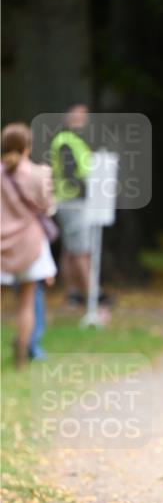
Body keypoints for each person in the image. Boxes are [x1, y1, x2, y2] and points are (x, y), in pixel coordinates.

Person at [1, 122, 57, 368]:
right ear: (27, 147)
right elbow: (48, 207)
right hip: (30, 245)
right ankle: (22, 356)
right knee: (26, 303)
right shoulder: (39, 173)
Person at [51, 103, 93, 307]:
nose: (82, 119)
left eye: (84, 115)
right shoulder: (66, 141)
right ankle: (92, 296)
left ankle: (72, 295)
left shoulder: (75, 140)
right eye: (77, 115)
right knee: (80, 250)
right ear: (66, 117)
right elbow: (71, 175)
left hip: (70, 201)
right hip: (73, 201)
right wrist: (91, 188)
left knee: (69, 250)